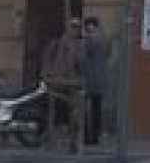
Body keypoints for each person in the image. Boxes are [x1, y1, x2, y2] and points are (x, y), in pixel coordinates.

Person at [43, 17, 83, 152]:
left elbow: (79, 62)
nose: (76, 30)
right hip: (58, 82)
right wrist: (48, 75)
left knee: (74, 112)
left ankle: (72, 142)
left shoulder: (78, 44)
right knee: (55, 111)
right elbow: (49, 60)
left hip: (72, 83)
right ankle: (52, 139)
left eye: (77, 27)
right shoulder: (58, 43)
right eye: (73, 27)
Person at [79, 17, 110, 147]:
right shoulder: (104, 39)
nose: (87, 30)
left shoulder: (90, 40)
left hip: (89, 79)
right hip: (100, 78)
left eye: (88, 27)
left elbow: (82, 57)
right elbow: (108, 55)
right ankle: (95, 136)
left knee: (85, 109)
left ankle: (87, 136)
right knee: (96, 109)